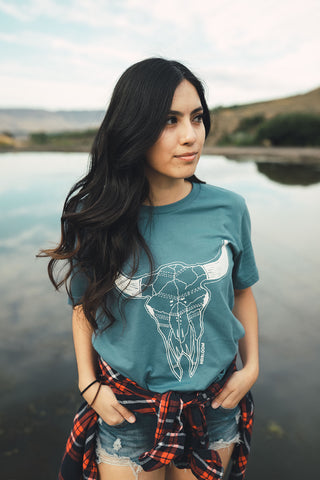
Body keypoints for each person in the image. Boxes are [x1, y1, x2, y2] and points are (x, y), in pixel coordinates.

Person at [40, 58, 259, 480]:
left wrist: (251, 368)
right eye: (169, 121)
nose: (191, 136)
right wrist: (88, 384)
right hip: (127, 410)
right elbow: (85, 305)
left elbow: (243, 290)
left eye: (197, 118)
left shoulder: (230, 208)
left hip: (215, 406)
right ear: (134, 127)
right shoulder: (94, 215)